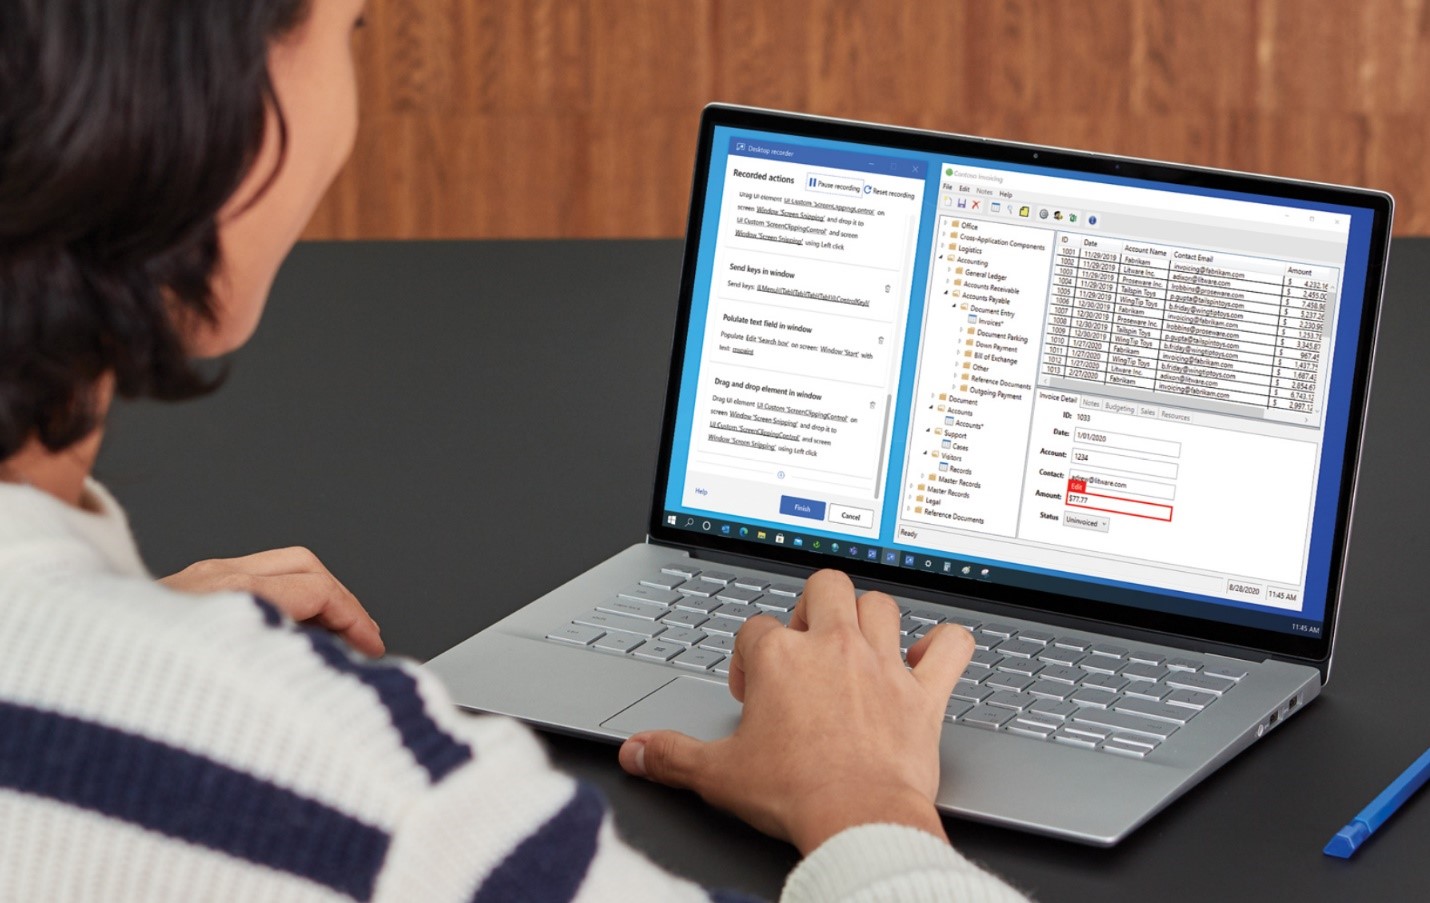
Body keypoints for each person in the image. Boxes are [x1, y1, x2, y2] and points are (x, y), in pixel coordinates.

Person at [0, 2, 1027, 900]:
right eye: (347, 30)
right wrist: (867, 800)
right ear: (204, 108)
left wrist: (109, 639)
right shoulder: (367, 808)